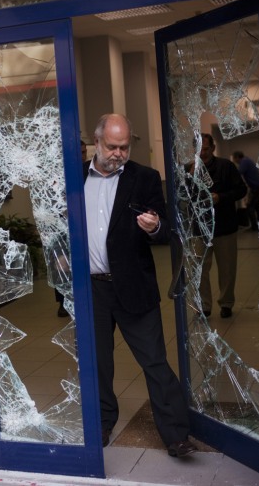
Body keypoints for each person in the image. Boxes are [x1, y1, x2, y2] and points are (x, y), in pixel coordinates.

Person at [84, 113, 195, 458]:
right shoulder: (73, 178)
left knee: (155, 362)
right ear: (96, 142)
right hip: (92, 290)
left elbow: (164, 231)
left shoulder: (145, 178)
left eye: (124, 146)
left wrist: (153, 227)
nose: (118, 153)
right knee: (98, 362)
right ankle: (103, 422)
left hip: (133, 285)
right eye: (112, 146)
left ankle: (176, 434)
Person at [196, 133, 247, 318]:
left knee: (227, 269)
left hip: (224, 227)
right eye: (200, 149)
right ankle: (205, 306)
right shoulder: (190, 169)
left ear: (213, 148)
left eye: (207, 149)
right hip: (199, 229)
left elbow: (241, 190)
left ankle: (226, 303)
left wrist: (221, 197)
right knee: (200, 270)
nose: (203, 153)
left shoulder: (226, 167)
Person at [56, 140, 88, 317]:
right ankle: (63, 302)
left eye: (84, 152)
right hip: (64, 228)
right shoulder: (61, 175)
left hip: (83, 229)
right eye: (79, 152)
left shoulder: (89, 174)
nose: (82, 156)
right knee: (63, 265)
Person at [231, 150, 259, 231]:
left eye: (234, 159)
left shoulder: (244, 162)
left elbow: (239, 173)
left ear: (237, 157)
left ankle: (255, 227)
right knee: (257, 207)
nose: (235, 161)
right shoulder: (247, 160)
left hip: (256, 187)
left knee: (250, 207)